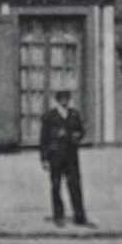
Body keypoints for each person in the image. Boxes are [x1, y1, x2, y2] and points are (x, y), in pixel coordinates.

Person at [40, 90, 93, 227]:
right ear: (57, 100)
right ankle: (58, 216)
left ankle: (79, 216)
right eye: (62, 99)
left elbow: (81, 131)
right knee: (56, 186)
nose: (65, 101)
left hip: (71, 156)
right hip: (55, 156)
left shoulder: (74, 114)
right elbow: (43, 139)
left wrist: (77, 136)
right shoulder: (49, 116)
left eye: (67, 99)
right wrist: (44, 159)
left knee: (75, 185)